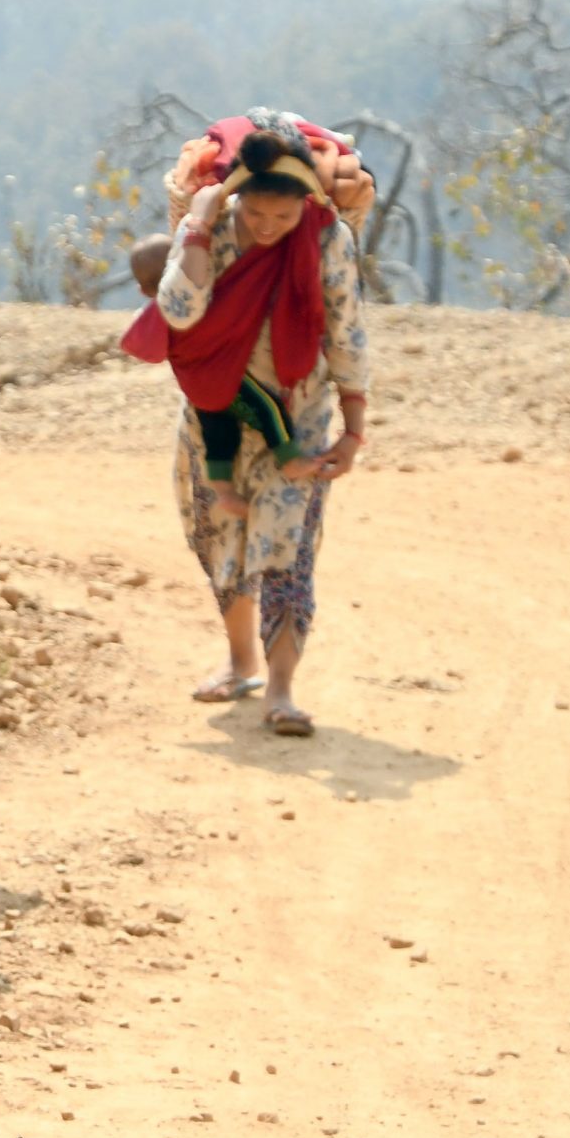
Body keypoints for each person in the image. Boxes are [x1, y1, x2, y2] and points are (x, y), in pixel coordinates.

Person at [140, 109, 371, 738]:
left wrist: (353, 429)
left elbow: (347, 332)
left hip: (300, 413)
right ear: (236, 197)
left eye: (283, 216)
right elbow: (178, 311)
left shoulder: (327, 240)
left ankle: (282, 689)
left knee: (288, 544)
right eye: (257, 213)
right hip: (215, 408)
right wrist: (199, 223)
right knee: (221, 535)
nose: (268, 228)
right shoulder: (212, 229)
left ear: (307, 206)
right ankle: (240, 660)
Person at [127, 233, 313, 521]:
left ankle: (224, 491)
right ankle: (290, 459)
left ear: (141, 290)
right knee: (269, 409)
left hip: (196, 390)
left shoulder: (151, 319)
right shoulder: (197, 297)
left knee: (218, 437)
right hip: (225, 379)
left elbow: (142, 347)